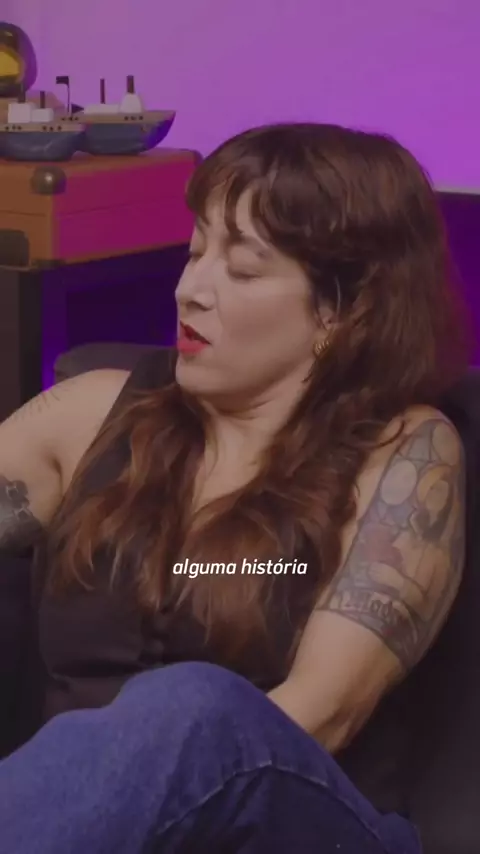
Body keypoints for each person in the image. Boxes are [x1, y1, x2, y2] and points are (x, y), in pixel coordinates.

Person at [0, 122, 468, 853]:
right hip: (76, 828)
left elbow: (325, 712)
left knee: (196, 707)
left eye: (243, 270)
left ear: (340, 309)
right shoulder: (91, 412)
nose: (188, 290)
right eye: (195, 252)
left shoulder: (405, 451)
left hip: (290, 822)